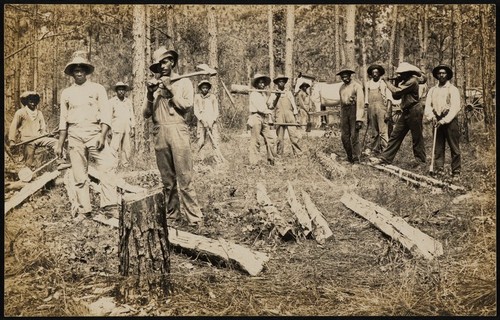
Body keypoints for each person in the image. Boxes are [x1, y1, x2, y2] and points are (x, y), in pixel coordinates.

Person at [143, 47, 203, 226]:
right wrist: (149, 94)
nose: (161, 66)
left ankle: (194, 218)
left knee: (184, 177)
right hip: (160, 132)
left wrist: (170, 91)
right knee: (167, 180)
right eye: (158, 64)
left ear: (172, 62)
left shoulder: (183, 82)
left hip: (178, 130)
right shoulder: (153, 85)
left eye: (164, 62)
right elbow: (145, 114)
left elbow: (186, 106)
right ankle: (172, 216)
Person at [56, 55, 119, 218]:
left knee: (107, 166)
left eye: (81, 69)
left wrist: (103, 135)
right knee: (79, 174)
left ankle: (110, 206)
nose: (79, 72)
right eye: (75, 70)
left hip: (94, 132)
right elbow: (63, 119)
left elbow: (106, 113)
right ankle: (84, 209)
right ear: (71, 73)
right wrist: (59, 144)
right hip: (75, 134)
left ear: (86, 71)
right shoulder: (67, 93)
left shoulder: (98, 89)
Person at [370, 62, 426, 168]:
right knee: (395, 135)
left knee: (417, 136)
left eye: (402, 73)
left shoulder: (412, 81)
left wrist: (387, 82)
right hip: (406, 111)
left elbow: (396, 92)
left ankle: (421, 161)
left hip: (414, 110)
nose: (399, 75)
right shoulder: (405, 81)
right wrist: (396, 83)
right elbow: (396, 97)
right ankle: (385, 158)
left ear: (408, 73)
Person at [424, 64, 461, 180]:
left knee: (454, 147)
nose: (441, 75)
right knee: (438, 147)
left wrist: (445, 120)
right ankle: (439, 169)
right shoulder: (432, 90)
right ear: (436, 75)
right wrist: (432, 117)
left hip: (449, 121)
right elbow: (427, 106)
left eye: (443, 73)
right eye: (439, 73)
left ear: (448, 75)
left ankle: (456, 172)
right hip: (436, 119)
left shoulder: (453, 90)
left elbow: (455, 107)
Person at [8, 91, 58, 169]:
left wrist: (47, 134)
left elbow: (42, 129)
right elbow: (13, 126)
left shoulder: (39, 113)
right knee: (29, 158)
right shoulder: (20, 113)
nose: (33, 103)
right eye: (30, 101)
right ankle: (28, 171)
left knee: (56, 142)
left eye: (34, 101)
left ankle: (61, 161)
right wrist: (12, 141)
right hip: (27, 140)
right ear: (26, 101)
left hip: (40, 138)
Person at [268, 74, 302, 156]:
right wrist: (276, 97)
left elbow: (294, 105)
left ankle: (298, 153)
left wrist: (296, 117)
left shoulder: (288, 92)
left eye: (283, 81)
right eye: (279, 81)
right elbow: (270, 106)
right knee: (280, 138)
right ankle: (280, 154)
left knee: (293, 136)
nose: (281, 83)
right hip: (279, 117)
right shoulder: (274, 93)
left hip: (290, 116)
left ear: (285, 83)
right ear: (277, 83)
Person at [247, 73, 276, 166]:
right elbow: (260, 108)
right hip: (256, 117)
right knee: (255, 141)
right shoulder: (254, 94)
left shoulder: (263, 94)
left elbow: (269, 105)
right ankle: (254, 163)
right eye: (260, 83)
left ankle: (271, 160)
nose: (262, 85)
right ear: (256, 84)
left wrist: (276, 97)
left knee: (270, 139)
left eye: (263, 83)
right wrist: (267, 111)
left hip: (264, 118)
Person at [337, 67, 365, 163]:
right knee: (344, 136)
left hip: (354, 110)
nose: (345, 79)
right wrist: (341, 116)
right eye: (343, 77)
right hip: (345, 111)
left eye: (346, 76)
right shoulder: (341, 88)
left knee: (354, 136)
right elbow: (341, 103)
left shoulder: (356, 86)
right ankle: (349, 157)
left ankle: (356, 158)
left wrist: (359, 119)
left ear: (350, 76)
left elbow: (361, 103)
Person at [363, 64, 389, 156]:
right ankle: (375, 149)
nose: (375, 74)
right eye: (373, 73)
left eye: (376, 72)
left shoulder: (382, 83)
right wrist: (366, 107)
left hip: (381, 108)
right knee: (374, 130)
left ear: (379, 73)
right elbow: (366, 96)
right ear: (371, 74)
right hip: (371, 107)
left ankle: (386, 151)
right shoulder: (368, 84)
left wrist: (387, 111)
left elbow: (387, 98)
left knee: (383, 131)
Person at [109, 81, 135, 167]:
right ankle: (114, 165)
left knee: (126, 147)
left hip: (127, 126)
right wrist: (108, 129)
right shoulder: (112, 101)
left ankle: (125, 164)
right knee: (114, 147)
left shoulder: (128, 101)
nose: (121, 91)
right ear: (116, 91)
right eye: (119, 90)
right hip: (116, 126)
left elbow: (132, 115)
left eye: (122, 90)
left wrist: (133, 127)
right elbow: (109, 115)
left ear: (125, 91)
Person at [193, 80, 221, 160]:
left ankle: (218, 159)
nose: (205, 89)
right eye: (203, 88)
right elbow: (196, 111)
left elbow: (216, 110)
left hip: (212, 121)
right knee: (201, 140)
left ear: (208, 88)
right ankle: (198, 158)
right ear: (200, 88)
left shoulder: (212, 97)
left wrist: (212, 121)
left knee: (215, 140)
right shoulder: (197, 97)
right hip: (202, 122)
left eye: (206, 88)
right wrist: (202, 121)